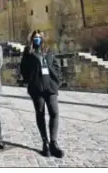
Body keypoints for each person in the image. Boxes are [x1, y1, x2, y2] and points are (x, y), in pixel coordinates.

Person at [20, 30, 64, 158]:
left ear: (43, 38)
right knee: (40, 114)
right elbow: (23, 68)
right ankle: (45, 142)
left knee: (54, 112)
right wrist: (30, 80)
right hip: (36, 87)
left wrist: (56, 80)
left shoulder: (49, 50)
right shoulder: (28, 52)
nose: (37, 39)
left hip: (50, 86)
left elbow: (56, 66)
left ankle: (53, 142)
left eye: (39, 37)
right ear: (32, 39)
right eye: (35, 37)